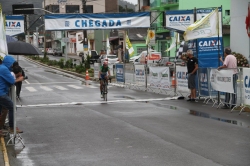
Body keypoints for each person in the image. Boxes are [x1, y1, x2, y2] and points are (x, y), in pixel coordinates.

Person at [0, 56, 24, 133]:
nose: (12, 66)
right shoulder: (4, 69)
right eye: (12, 64)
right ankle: (12, 128)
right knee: (13, 107)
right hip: (1, 93)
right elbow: (11, 81)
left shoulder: (3, 68)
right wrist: (19, 79)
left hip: (2, 92)